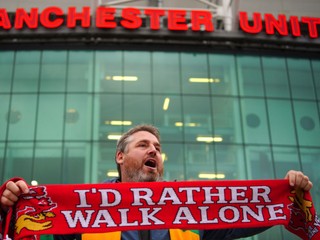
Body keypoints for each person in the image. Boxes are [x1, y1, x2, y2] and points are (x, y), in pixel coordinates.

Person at [0, 124, 314, 240]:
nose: (154, 150)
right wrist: (9, 207)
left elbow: (248, 215)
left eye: (158, 149)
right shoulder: (84, 207)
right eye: (143, 145)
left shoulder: (191, 206)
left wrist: (284, 195)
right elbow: (31, 228)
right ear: (120, 157)